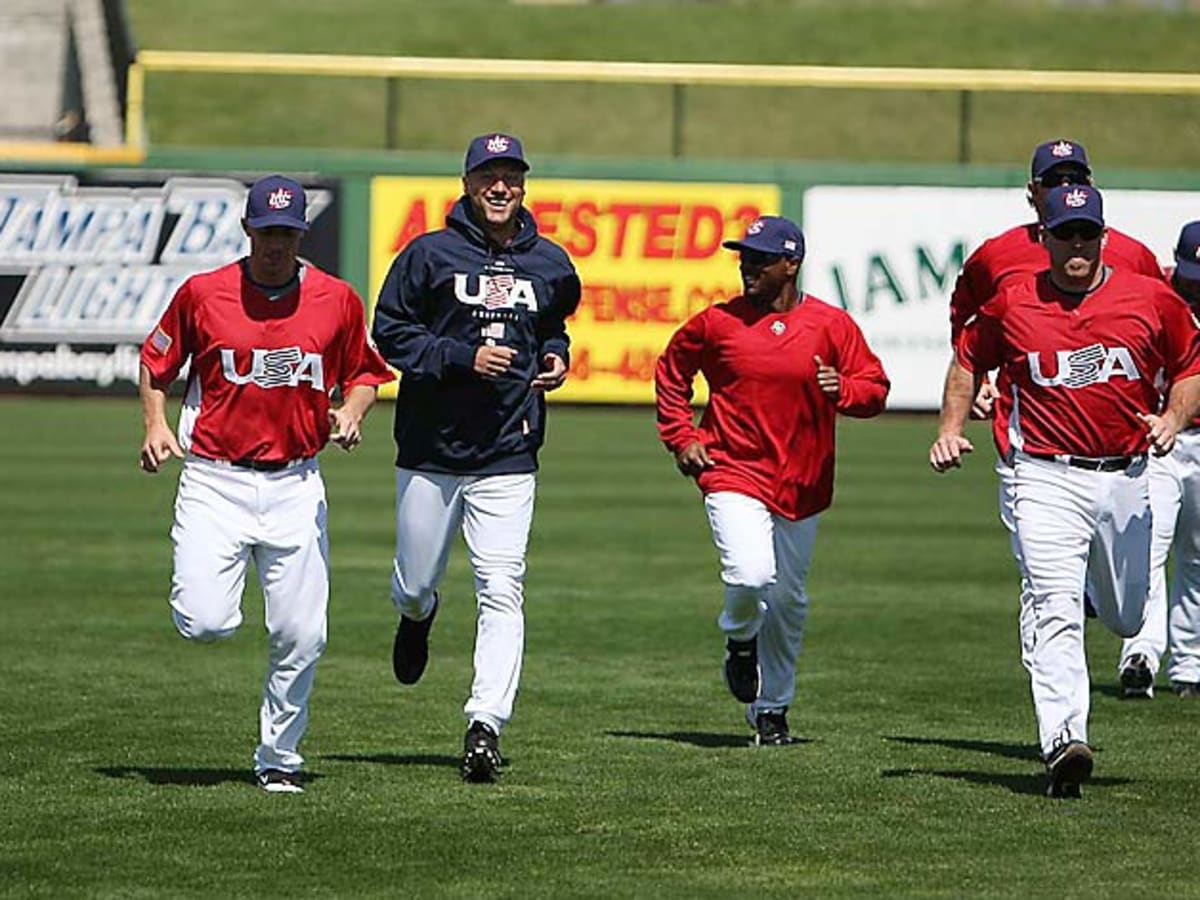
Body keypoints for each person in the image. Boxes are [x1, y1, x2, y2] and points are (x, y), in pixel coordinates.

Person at [930, 185, 1200, 799]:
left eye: (1086, 232)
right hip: (1044, 475)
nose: (1076, 244)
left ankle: (1091, 597)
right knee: (1054, 606)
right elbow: (968, 356)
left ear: (1102, 237)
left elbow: (1190, 364)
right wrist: (951, 426)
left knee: (1129, 613)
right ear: (1044, 237)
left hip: (1128, 475)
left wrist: (1175, 418)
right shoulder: (1012, 302)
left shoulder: (1151, 298)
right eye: (1064, 232)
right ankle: (1064, 740)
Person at [139, 174, 394, 794]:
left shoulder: (336, 299)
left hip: (296, 484)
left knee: (303, 633)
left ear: (301, 234)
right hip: (214, 478)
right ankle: (211, 601)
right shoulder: (204, 293)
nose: (277, 242)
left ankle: (278, 757)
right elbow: (156, 361)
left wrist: (353, 413)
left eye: (289, 231)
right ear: (248, 230)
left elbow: (365, 372)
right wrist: (154, 424)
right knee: (205, 622)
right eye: (268, 230)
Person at [371, 132, 581, 783]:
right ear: (466, 183)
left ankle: (485, 724)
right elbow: (390, 332)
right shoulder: (428, 254)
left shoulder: (549, 262)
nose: (501, 187)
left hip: (509, 448)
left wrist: (556, 357)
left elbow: (554, 323)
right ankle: (417, 615)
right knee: (414, 580)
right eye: (488, 175)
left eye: (511, 176)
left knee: (502, 584)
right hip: (431, 449)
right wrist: (462, 356)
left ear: (523, 185)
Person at [942, 138, 1166, 700]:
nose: (1062, 186)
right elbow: (966, 324)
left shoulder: (1131, 254)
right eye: (1052, 178)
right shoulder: (995, 255)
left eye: (1075, 175)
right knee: (1043, 586)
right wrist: (981, 386)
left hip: (1116, 449)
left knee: (1123, 611)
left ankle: (1090, 600)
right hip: (1029, 445)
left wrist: (1163, 405)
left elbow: (1164, 333)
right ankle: (1058, 717)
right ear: (1031, 190)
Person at [655, 215, 889, 746]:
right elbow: (671, 371)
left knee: (788, 599)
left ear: (791, 264)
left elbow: (875, 388)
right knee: (750, 574)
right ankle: (740, 641)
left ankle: (772, 708)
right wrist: (681, 435)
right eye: (744, 258)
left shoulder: (831, 326)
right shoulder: (716, 323)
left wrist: (843, 388)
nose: (748, 268)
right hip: (731, 468)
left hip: (803, 482)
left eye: (760, 259)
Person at [1134, 222, 1200, 699]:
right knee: (1148, 546)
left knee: (1196, 556)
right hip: (1157, 437)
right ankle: (1139, 654)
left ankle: (1189, 666)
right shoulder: (1151, 291)